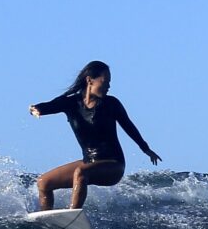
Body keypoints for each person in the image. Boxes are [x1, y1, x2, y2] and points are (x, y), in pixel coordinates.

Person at [28, 60, 161, 211]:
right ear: (90, 80)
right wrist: (35, 109)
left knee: (81, 172)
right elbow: (49, 106)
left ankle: (73, 215)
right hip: (89, 161)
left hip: (113, 164)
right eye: (105, 81)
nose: (109, 86)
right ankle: (48, 220)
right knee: (43, 182)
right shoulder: (71, 103)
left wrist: (146, 149)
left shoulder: (111, 104)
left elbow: (129, 126)